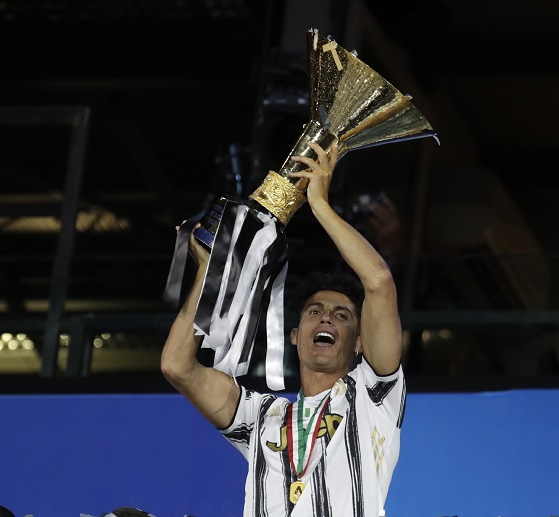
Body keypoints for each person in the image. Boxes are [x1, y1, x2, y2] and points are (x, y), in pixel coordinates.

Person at [161, 142, 406, 517]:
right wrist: (206, 277)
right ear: (294, 335)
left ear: (360, 343)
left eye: (341, 315)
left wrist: (319, 205)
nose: (326, 318)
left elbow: (379, 282)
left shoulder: (374, 396)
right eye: (315, 311)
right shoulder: (260, 417)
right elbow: (177, 367)